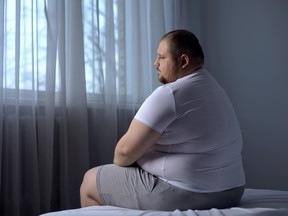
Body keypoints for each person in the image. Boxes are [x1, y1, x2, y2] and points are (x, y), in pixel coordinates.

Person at [80, 29, 245, 211]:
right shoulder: (214, 89)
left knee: (90, 181)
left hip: (190, 193)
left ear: (183, 61)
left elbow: (123, 154)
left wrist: (142, 158)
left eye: (161, 57)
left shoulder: (171, 94)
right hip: (232, 191)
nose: (155, 63)